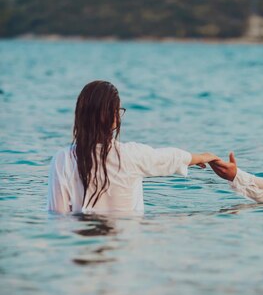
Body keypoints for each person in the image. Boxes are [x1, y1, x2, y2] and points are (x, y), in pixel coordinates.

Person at [47, 80, 219, 214]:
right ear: (114, 117)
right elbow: (171, 157)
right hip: (126, 244)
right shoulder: (132, 155)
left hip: (80, 242)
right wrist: (203, 157)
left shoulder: (63, 160)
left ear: (79, 115)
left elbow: (58, 214)